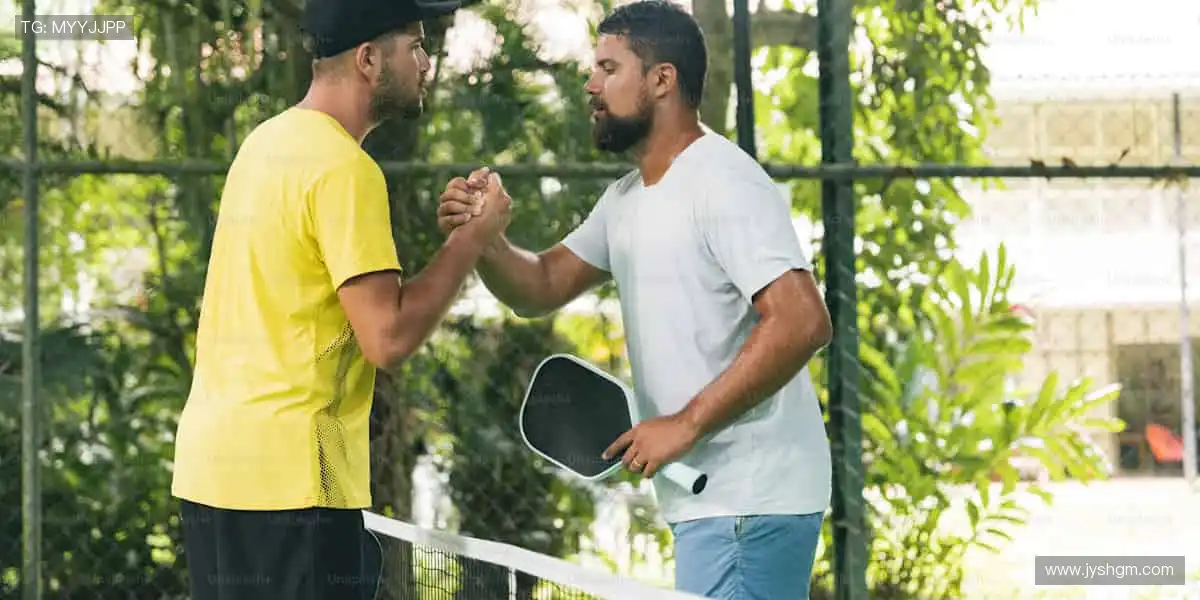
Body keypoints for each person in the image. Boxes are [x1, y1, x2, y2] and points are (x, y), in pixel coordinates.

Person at [437, 1, 833, 598]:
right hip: (713, 504)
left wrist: (685, 424)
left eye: (607, 68)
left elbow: (803, 320)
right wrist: (486, 242)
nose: (590, 84)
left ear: (661, 80)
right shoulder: (627, 199)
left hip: (751, 500)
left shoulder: (723, 181)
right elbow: (540, 285)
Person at [168, 0, 511, 598]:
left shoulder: (264, 144)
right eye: (416, 46)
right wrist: (472, 241)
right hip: (293, 487)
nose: (427, 63)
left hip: (211, 477)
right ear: (370, 59)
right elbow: (389, 337)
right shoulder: (345, 169)